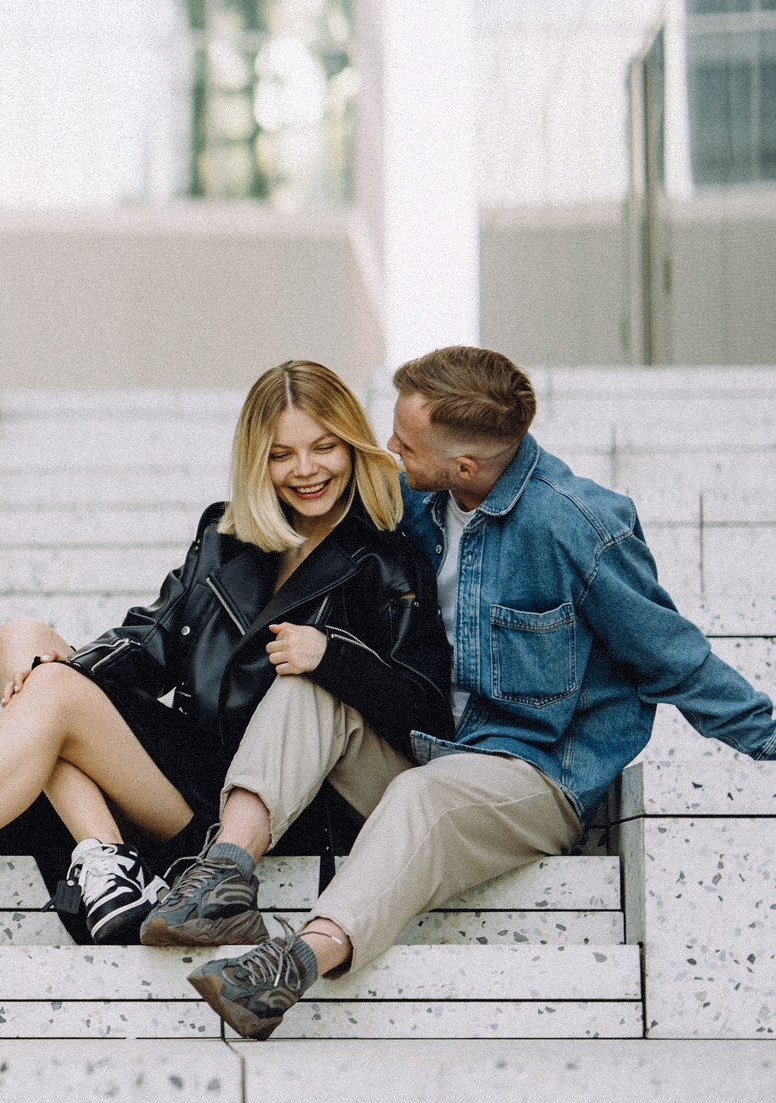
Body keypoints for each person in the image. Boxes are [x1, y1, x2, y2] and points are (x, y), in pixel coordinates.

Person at [184, 346, 776, 1038]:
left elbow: (678, 660)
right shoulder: (419, 501)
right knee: (311, 689)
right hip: (432, 748)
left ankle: (291, 964)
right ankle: (223, 874)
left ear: (464, 465)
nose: (388, 451)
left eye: (404, 443)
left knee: (423, 797)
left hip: (532, 777)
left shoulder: (575, 527)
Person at [0, 360, 450, 949]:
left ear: (353, 445)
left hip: (264, 805)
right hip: (185, 767)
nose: (306, 470)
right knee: (20, 638)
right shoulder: (225, 535)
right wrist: (51, 675)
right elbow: (149, 640)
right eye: (281, 454)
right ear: (257, 459)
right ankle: (104, 856)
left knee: (53, 695)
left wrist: (332, 655)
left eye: (324, 447)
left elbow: (424, 709)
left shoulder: (387, 556)